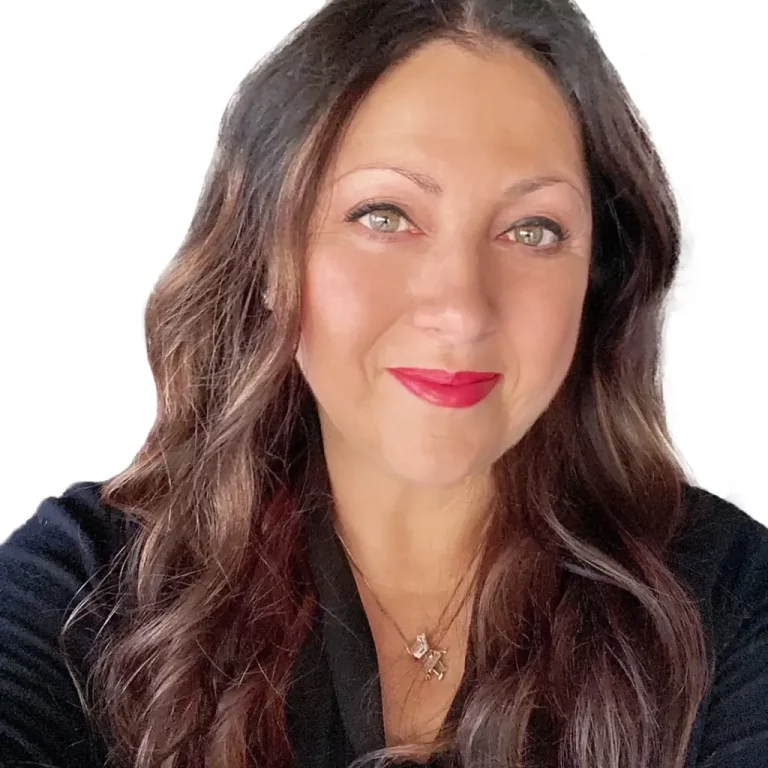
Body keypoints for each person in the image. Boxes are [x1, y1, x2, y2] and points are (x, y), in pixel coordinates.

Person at [1, 0, 767, 766]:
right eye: (384, 216)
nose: (461, 310)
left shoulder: (726, 600)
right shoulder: (90, 586)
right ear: (267, 255)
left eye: (532, 229)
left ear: (598, 279)